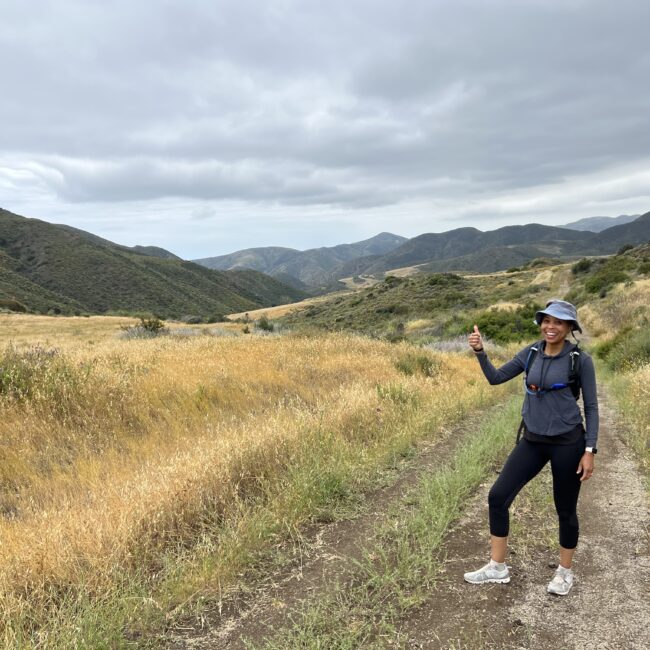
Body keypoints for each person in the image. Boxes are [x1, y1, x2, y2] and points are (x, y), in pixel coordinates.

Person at [464, 299, 598, 596]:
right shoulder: (532, 353)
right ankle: (497, 567)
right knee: (498, 497)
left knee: (565, 509)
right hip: (533, 440)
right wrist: (480, 352)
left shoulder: (580, 360)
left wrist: (590, 450)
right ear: (541, 324)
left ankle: (565, 573)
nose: (551, 327)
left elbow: (590, 406)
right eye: (547, 321)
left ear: (569, 328)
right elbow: (495, 378)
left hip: (568, 443)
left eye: (559, 322)